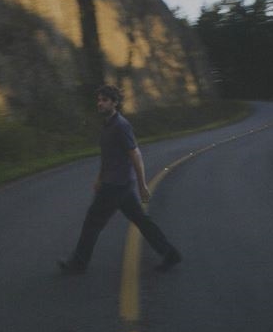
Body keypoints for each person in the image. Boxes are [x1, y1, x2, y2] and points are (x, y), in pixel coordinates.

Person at [58, 84, 182, 274]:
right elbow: (108, 156)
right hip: (118, 184)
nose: (100, 103)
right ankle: (170, 254)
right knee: (141, 220)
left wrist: (142, 185)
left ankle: (79, 263)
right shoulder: (108, 125)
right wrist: (99, 177)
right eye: (99, 100)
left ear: (114, 103)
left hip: (115, 185)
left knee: (92, 222)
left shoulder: (121, 126)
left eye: (105, 100)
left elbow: (135, 155)